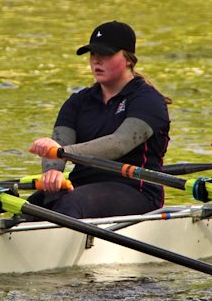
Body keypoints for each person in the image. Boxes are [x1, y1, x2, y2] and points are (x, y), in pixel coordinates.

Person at [27, 21, 171, 219]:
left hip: (135, 189)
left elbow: (118, 144)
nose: (97, 61)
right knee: (30, 206)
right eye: (93, 54)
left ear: (129, 59)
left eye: (106, 54)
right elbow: (59, 143)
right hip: (82, 185)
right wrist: (53, 173)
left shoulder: (147, 100)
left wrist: (60, 153)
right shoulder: (78, 101)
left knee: (71, 203)